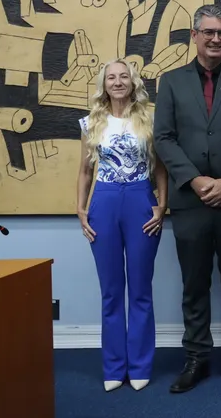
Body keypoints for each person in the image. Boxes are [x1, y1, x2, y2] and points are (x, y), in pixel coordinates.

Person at [153, 4, 221, 393]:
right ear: (194, 35)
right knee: (194, 283)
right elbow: (163, 137)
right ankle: (196, 357)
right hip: (190, 200)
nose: (216, 39)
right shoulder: (171, 81)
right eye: (209, 32)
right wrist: (195, 180)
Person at [75, 58, 167, 392]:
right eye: (111, 77)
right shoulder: (91, 123)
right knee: (112, 291)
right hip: (105, 202)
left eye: (123, 76)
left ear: (133, 82)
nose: (117, 82)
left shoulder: (150, 120)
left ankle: (140, 365)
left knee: (141, 289)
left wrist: (162, 204)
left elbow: (160, 169)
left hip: (141, 201)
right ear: (104, 84)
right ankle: (114, 367)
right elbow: (85, 171)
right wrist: (80, 209)